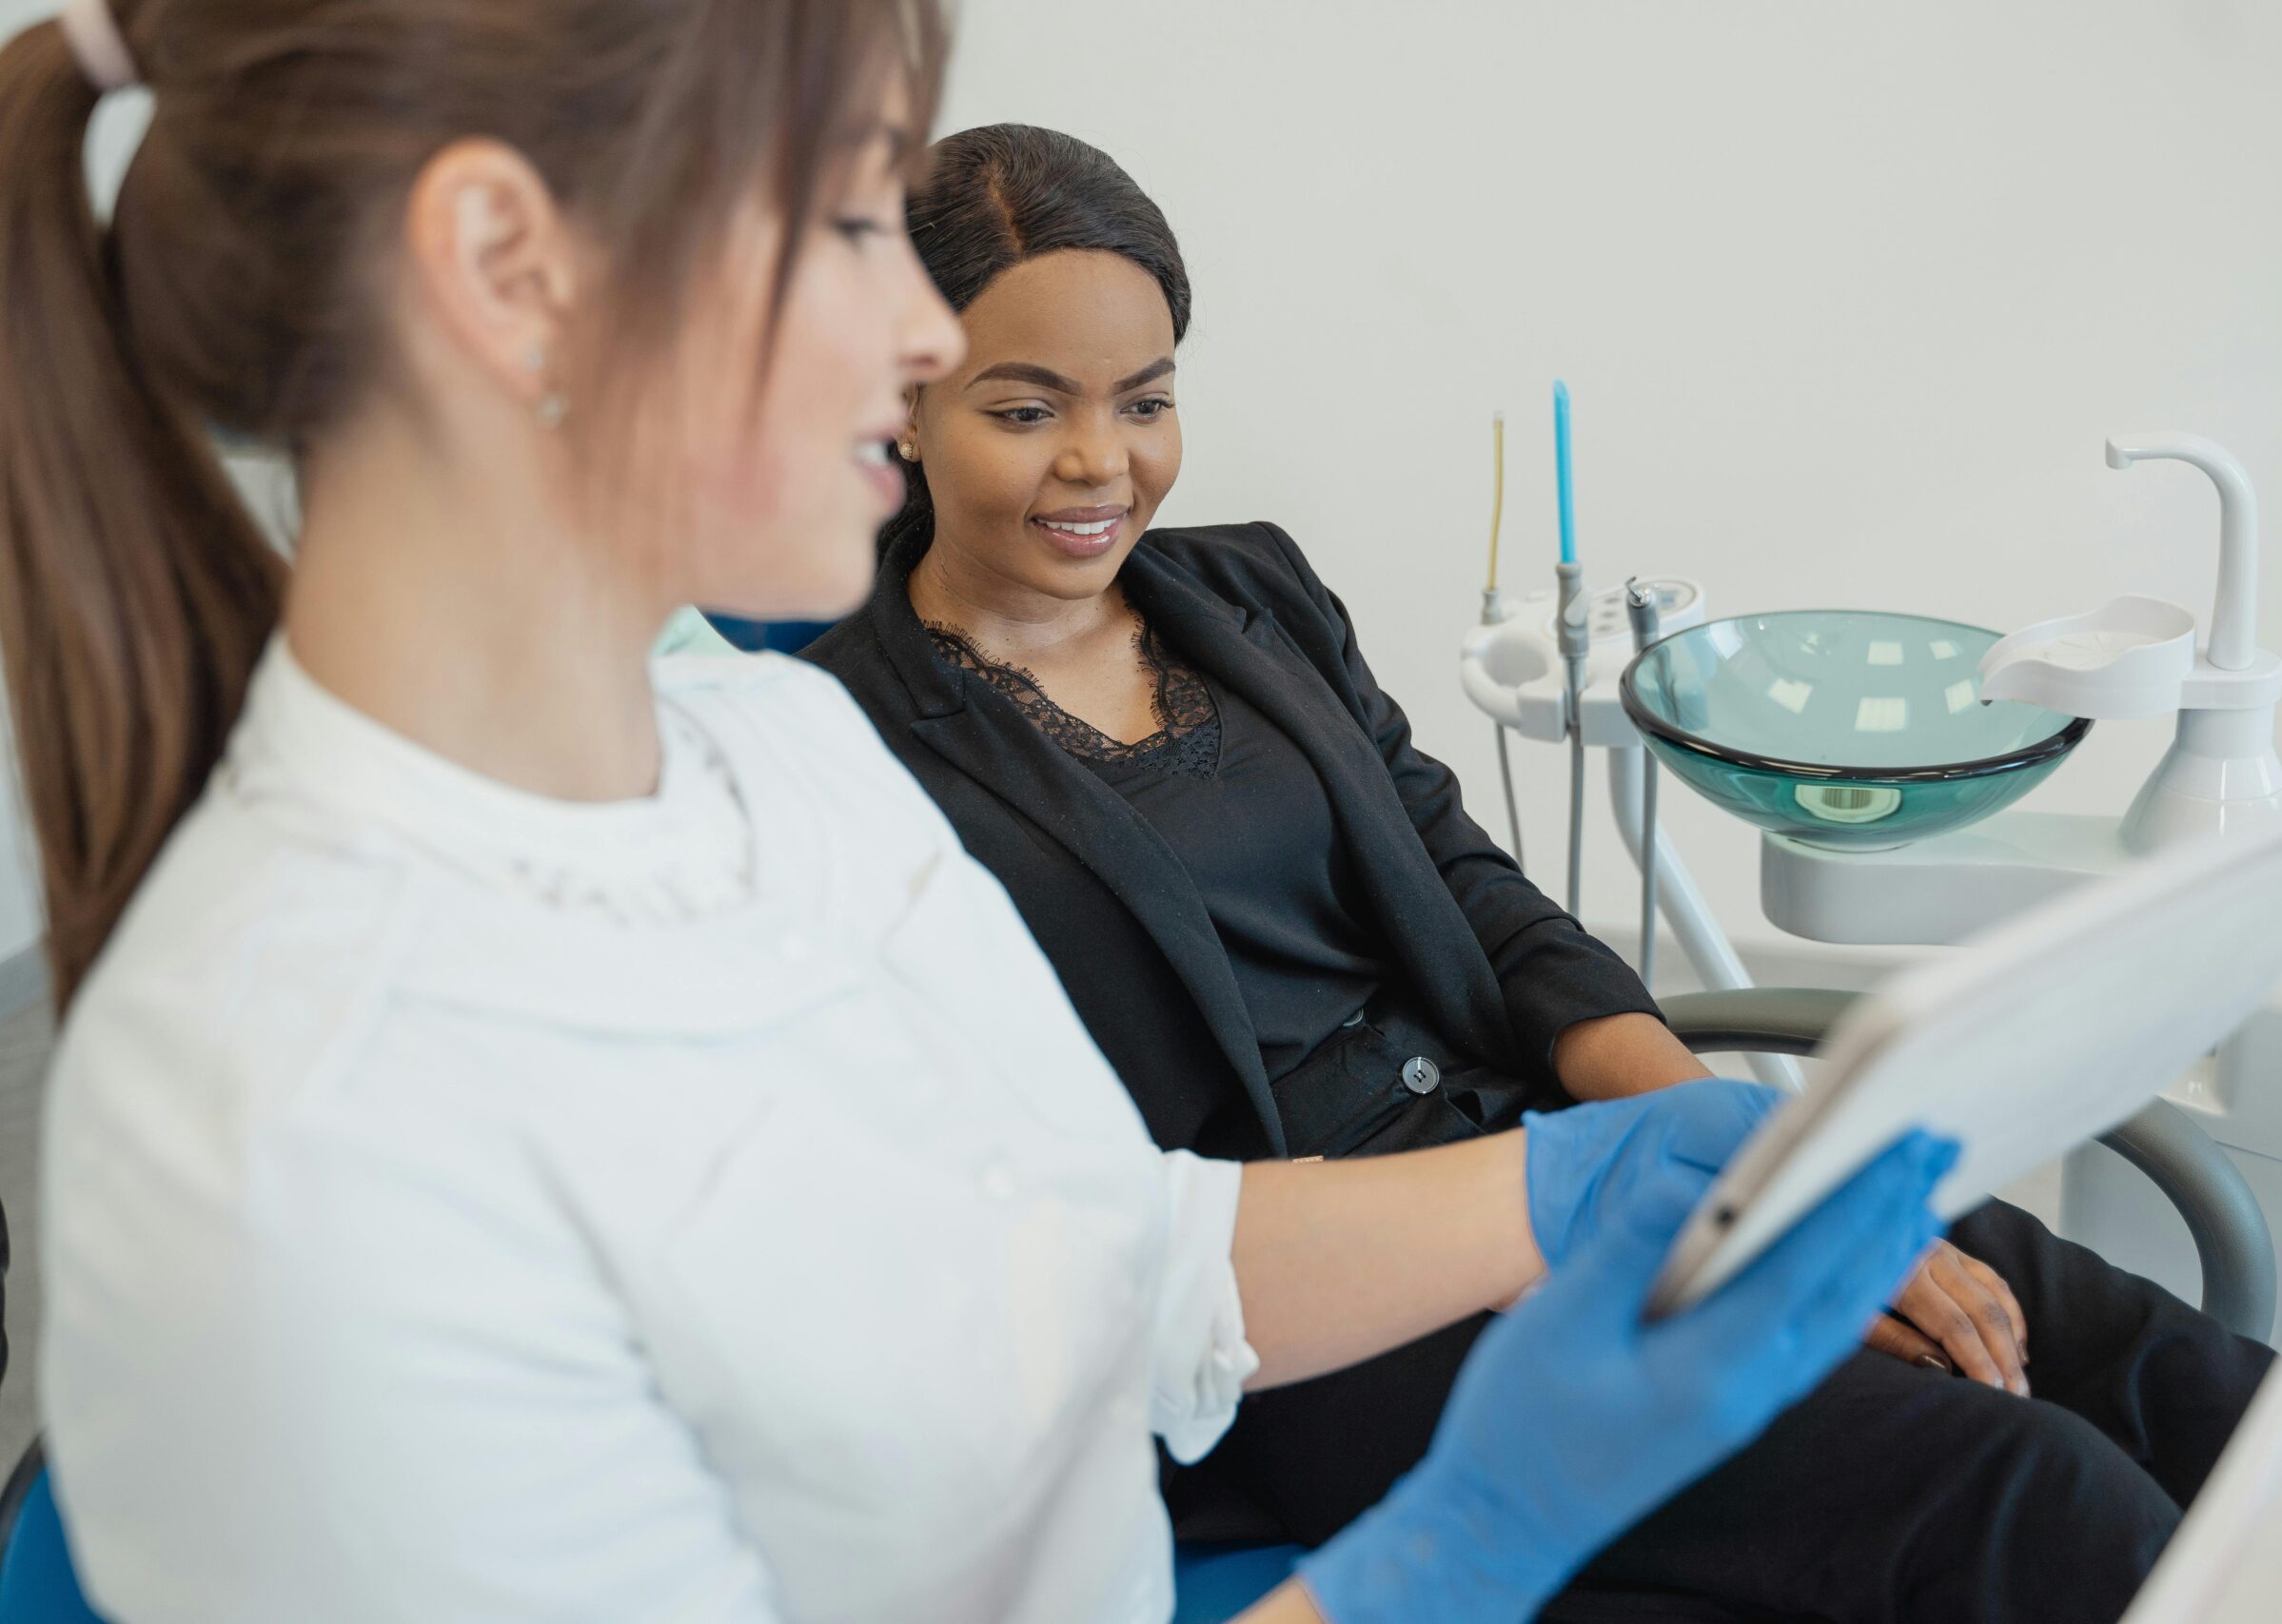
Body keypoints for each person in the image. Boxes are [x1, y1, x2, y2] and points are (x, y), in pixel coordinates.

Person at [0, 6, 1950, 1622]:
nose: (927, 338)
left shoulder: (779, 761)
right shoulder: (297, 1130)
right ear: (514, 272)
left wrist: (1564, 1181)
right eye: (853, 217)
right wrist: (1463, 1546)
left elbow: (1098, 1256)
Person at [807, 123, 2278, 1624]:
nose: (1099, 463)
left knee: (2157, 1368)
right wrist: (1531, 1236)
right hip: (1323, 1307)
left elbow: (1471, 885)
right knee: (2031, 1487)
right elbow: (1025, 1197)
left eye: (1146, 401)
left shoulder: (1250, 593)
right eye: (1025, 406)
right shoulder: (837, 752)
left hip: (1565, 1143)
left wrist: (1717, 1148)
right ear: (904, 405)